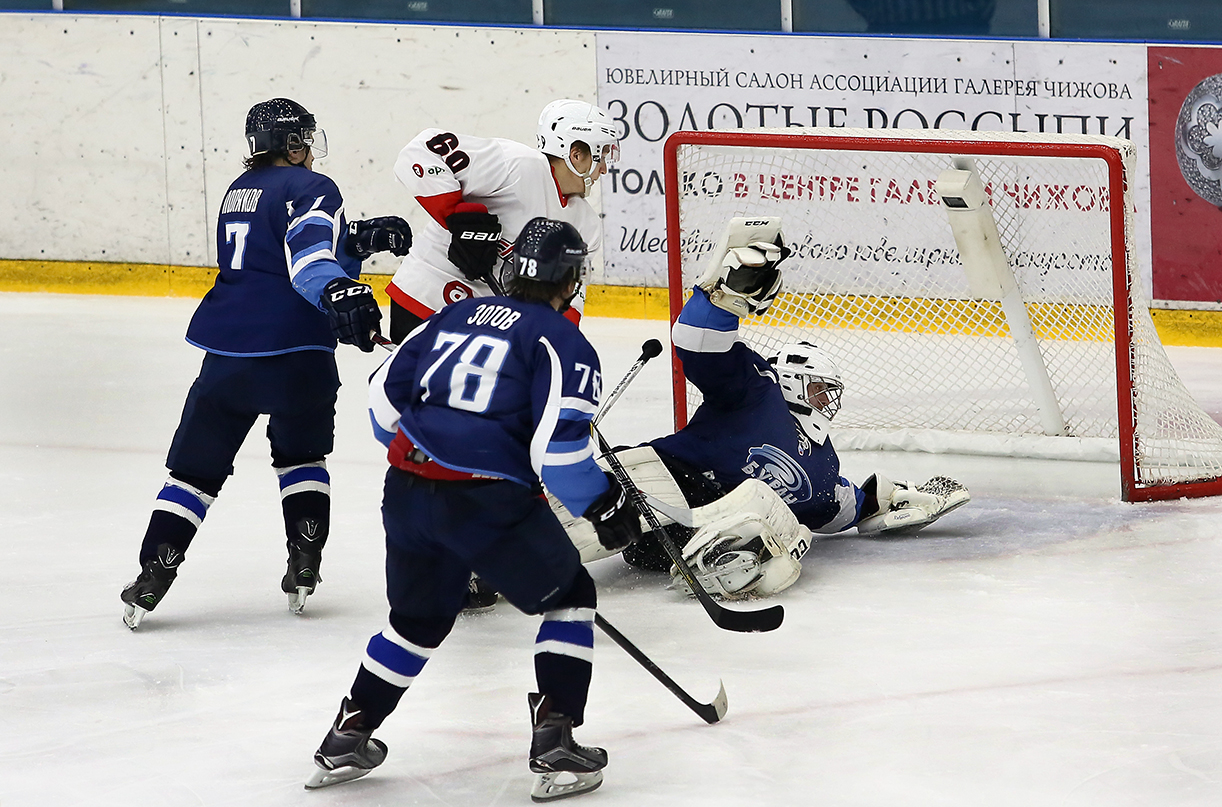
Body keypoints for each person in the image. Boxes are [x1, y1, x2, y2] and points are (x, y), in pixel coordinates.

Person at [304, 217, 641, 803]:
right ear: (572, 280)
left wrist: (436, 460)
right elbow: (560, 458)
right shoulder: (563, 342)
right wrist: (605, 505)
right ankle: (556, 739)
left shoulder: (448, 316)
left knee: (417, 621)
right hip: (488, 503)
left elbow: (384, 411)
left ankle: (348, 735)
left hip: (406, 492)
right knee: (570, 599)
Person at [557, 217, 971, 599]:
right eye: (820, 390)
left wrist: (900, 500)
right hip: (659, 480)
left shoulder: (824, 465)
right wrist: (724, 298)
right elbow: (699, 348)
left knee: (783, 527)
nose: (827, 403)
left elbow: (852, 506)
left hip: (683, 539)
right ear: (792, 379)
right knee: (543, 532)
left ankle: (715, 565)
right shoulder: (756, 390)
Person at [119, 98, 412, 629]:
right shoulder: (314, 187)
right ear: (292, 144)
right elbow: (306, 263)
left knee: (193, 475)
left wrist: (355, 241)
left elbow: (275, 249)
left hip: (228, 357)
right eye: (303, 139)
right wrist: (342, 286)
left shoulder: (238, 191)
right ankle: (305, 562)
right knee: (302, 459)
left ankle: (155, 571)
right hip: (300, 352)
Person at [383, 98, 621, 342]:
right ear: (576, 152)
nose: (603, 169)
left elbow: (568, 301)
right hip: (425, 301)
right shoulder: (516, 165)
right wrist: (455, 216)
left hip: (485, 324)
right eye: (600, 155)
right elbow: (421, 150)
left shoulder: (585, 226)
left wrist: (559, 344)